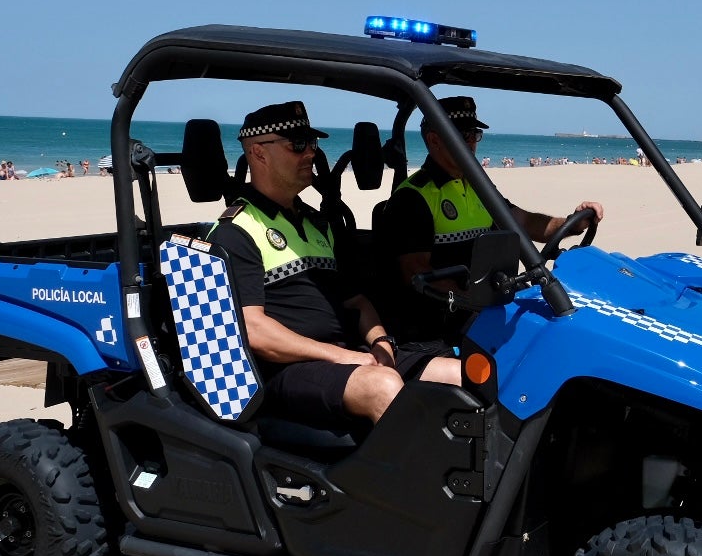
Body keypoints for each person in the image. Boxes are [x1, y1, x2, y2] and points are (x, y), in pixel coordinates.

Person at [213, 101, 461, 434]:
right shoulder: (236, 231)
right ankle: (413, 483)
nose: (311, 154)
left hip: (346, 356)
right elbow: (253, 329)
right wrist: (338, 356)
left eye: (312, 143)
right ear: (259, 153)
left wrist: (381, 342)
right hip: (287, 371)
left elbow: (356, 302)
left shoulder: (319, 225)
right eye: (297, 144)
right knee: (383, 386)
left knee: (460, 374)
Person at [380, 96, 603, 344]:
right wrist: (475, 301)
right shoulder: (413, 197)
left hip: (486, 308)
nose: (472, 143)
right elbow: (416, 273)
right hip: (440, 323)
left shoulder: (478, 185)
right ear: (434, 140)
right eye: (463, 135)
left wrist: (573, 222)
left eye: (474, 135)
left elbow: (525, 222)